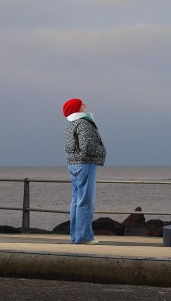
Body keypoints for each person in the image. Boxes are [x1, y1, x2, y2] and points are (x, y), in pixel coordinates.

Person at [62, 97, 106, 244]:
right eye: (82, 104)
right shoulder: (84, 123)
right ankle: (84, 237)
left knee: (76, 201)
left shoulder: (71, 124)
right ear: (78, 108)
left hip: (73, 165)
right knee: (86, 202)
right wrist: (102, 150)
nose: (85, 105)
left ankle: (75, 236)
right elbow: (87, 146)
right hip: (85, 164)